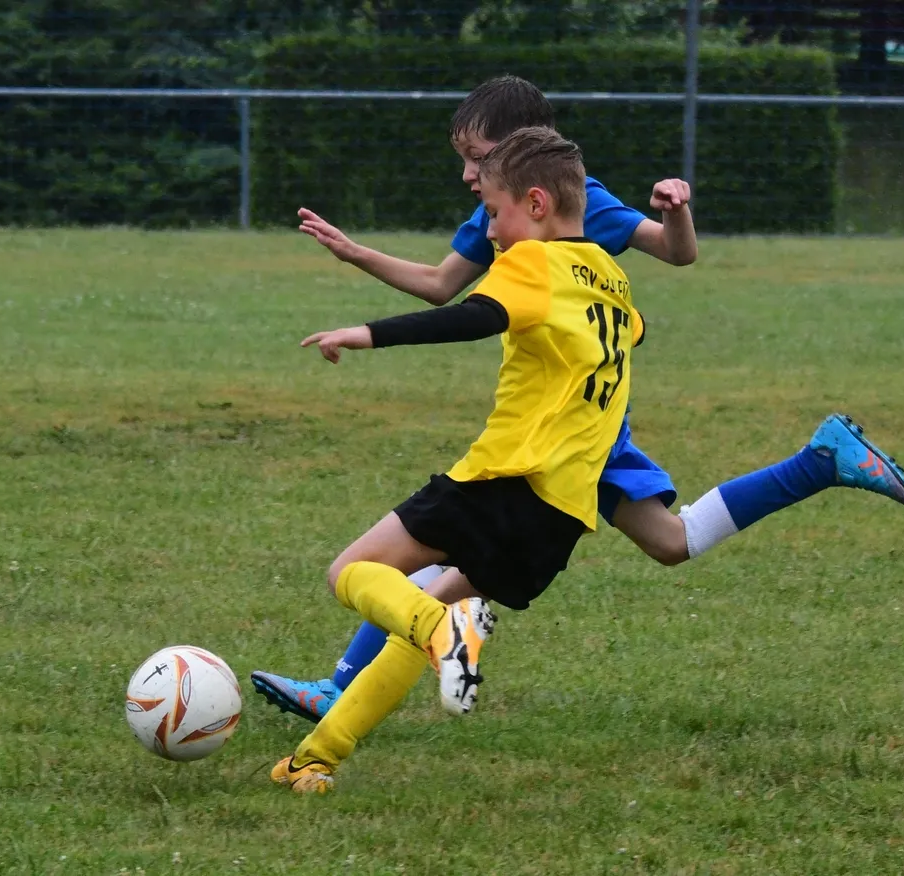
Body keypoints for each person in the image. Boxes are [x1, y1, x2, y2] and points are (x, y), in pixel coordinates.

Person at [253, 74, 904, 723]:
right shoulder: (498, 212)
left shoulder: (580, 201)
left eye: (477, 159)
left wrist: (676, 211)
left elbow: (675, 253)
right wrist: (356, 254)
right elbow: (440, 285)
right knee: (670, 541)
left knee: (454, 545)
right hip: (570, 416)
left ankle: (346, 687)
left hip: (572, 428)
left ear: (529, 164)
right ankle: (819, 462)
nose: (468, 176)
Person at [273, 126, 639, 793]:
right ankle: (316, 759)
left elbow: (473, 317)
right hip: (562, 518)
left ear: (535, 203)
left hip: (504, 482)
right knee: (413, 629)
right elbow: (621, 341)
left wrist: (368, 333)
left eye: (495, 213)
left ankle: (446, 629)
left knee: (350, 573)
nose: (490, 232)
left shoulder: (535, 263)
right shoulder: (615, 282)